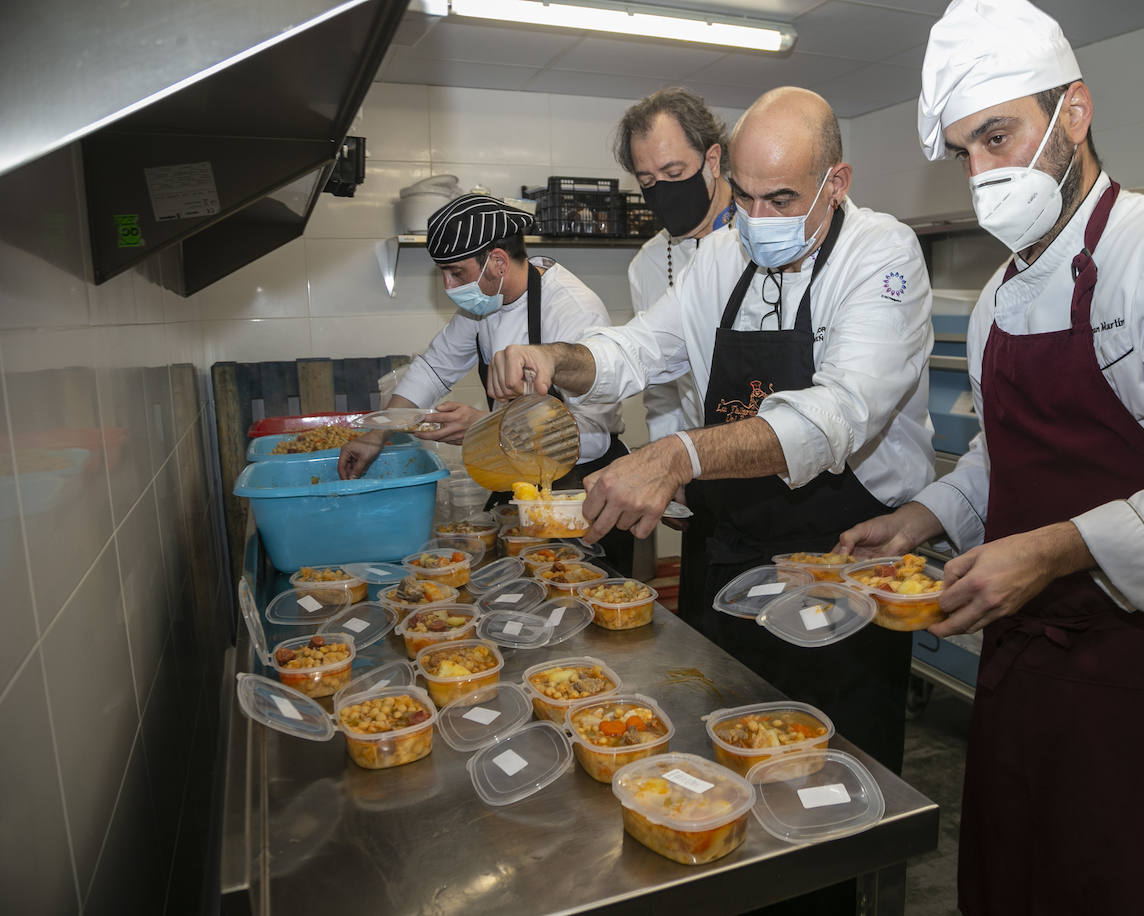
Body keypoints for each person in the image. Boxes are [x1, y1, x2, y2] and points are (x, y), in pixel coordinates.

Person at [835, 1, 1144, 913]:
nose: (982, 171)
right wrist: (926, 514)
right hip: (1027, 651)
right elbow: (999, 455)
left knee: (1122, 883)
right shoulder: (998, 299)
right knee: (1014, 876)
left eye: (999, 136)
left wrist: (1054, 549)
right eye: (964, 151)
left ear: (1074, 113)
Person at [488, 87, 938, 775]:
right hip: (735, 543)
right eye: (747, 196)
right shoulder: (724, 256)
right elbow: (637, 348)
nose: (756, 219)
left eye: (781, 200)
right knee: (727, 737)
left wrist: (679, 455)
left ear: (836, 182)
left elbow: (838, 413)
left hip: (843, 555)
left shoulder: (881, 254)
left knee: (837, 764)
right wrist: (556, 359)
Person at [338, 194, 633, 571]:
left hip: (582, 496)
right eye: (442, 273)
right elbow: (433, 368)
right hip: (523, 483)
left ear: (497, 261)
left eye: (456, 272)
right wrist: (375, 434)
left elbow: (591, 433)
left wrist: (485, 427)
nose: (448, 286)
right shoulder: (487, 305)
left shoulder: (573, 310)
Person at [616, 87, 736, 440]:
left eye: (674, 171)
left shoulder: (763, 238)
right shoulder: (648, 264)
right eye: (648, 181)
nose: (663, 190)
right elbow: (662, 390)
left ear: (711, 160)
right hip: (701, 457)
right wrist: (667, 457)